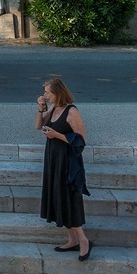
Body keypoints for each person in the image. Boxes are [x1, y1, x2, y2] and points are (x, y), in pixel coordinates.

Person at [36, 76, 91, 259]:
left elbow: (81, 139)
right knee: (59, 197)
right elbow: (39, 126)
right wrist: (41, 109)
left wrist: (57, 135)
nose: (45, 94)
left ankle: (83, 240)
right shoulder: (54, 109)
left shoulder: (71, 111)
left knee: (69, 198)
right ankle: (72, 240)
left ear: (57, 92)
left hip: (68, 162)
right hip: (53, 159)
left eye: (47, 92)